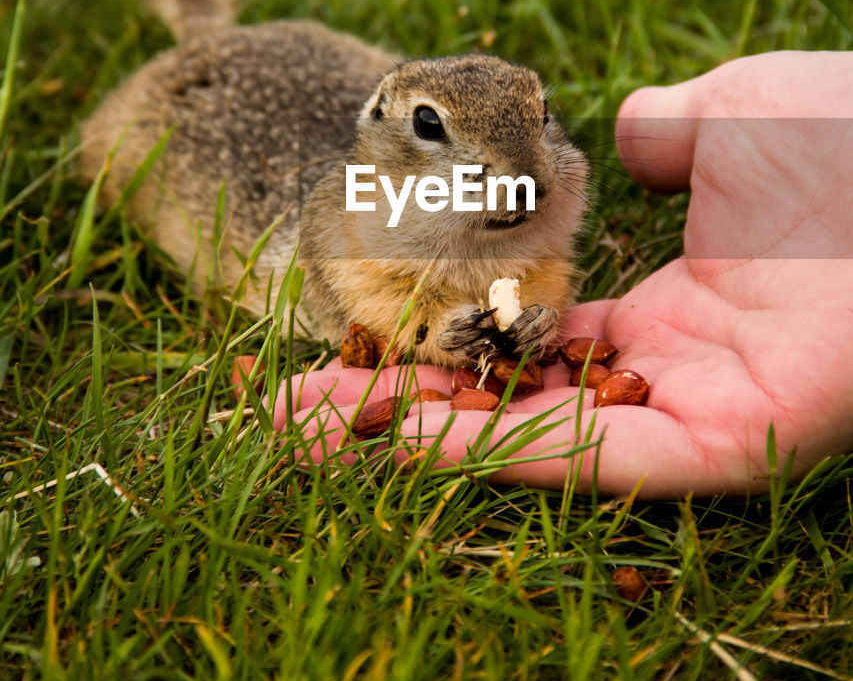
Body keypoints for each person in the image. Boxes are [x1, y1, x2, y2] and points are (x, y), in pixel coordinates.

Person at [274, 51, 853, 498]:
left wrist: (535, 317)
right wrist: (446, 332)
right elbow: (387, 308)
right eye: (430, 127)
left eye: (543, 123)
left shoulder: (550, 171)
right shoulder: (355, 217)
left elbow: (546, 268)